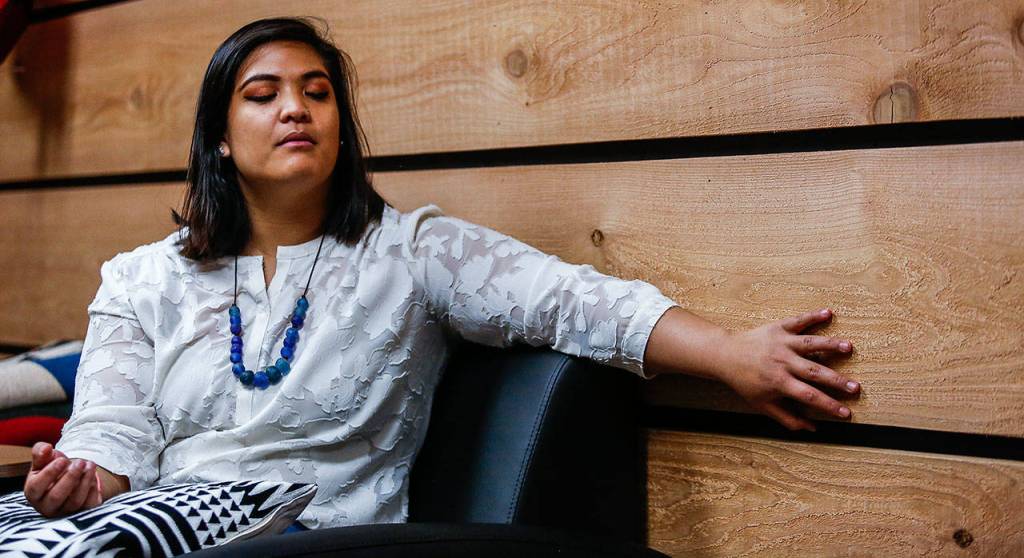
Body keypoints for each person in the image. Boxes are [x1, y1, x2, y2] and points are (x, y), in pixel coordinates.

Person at [22, 17, 859, 526]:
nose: (294, 109)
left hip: (328, 541)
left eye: (317, 93)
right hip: (158, 529)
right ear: (217, 136)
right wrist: (81, 483)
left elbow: (570, 301)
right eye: (263, 92)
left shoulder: (410, 252)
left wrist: (730, 353)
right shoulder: (138, 281)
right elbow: (112, 437)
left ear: (340, 129)